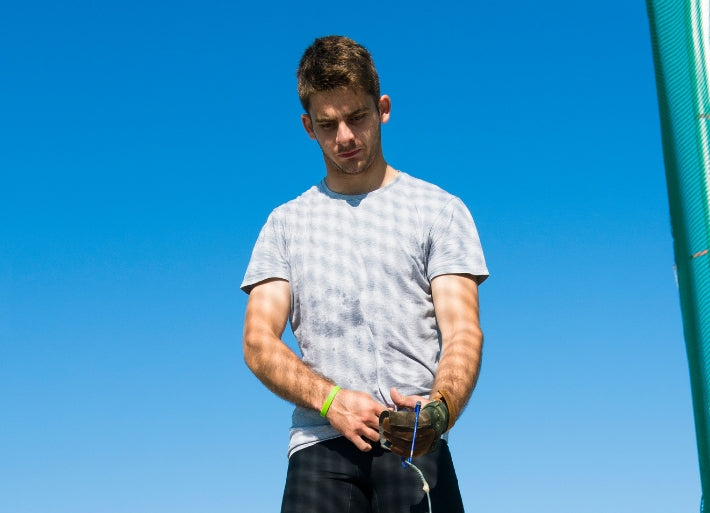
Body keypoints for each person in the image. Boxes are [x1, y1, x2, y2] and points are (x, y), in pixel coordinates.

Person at [241, 35, 489, 513]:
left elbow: (462, 330)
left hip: (415, 439)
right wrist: (331, 400)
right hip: (320, 444)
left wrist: (440, 410)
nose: (346, 137)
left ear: (383, 109)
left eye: (356, 117)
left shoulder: (439, 210)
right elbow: (257, 341)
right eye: (328, 124)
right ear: (307, 127)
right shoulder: (284, 224)